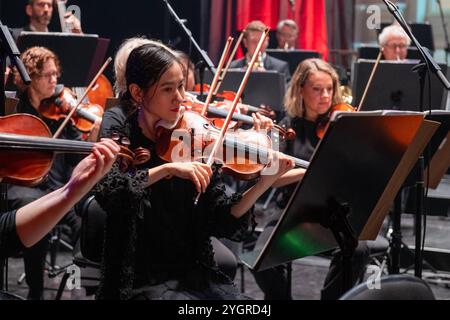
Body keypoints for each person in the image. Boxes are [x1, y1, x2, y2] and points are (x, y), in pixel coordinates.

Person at [93, 43, 294, 300]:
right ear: (137, 93)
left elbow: (222, 216)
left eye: (181, 86)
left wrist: (263, 184)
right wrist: (167, 169)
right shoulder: (125, 136)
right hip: (140, 280)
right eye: (168, 89)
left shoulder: (191, 139)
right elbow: (109, 191)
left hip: (191, 276)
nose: (181, 98)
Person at [251, 58, 371, 300]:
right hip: (291, 210)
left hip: (332, 212)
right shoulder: (284, 127)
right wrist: (315, 171)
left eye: (329, 89)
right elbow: (273, 179)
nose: (325, 96)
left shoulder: (342, 124)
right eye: (317, 89)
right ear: (300, 90)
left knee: (357, 250)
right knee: (262, 260)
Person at [8, 46, 99, 300]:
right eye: (47, 75)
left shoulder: (61, 113)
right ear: (31, 78)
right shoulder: (15, 107)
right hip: (24, 183)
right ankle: (35, 291)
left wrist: (92, 133)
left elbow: (74, 156)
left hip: (57, 185)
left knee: (88, 218)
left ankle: (79, 286)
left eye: (56, 74)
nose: (54, 81)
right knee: (37, 214)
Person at [0, 139, 119, 260]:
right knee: (35, 223)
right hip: (25, 188)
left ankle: (83, 266)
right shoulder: (25, 124)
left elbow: (74, 158)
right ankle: (35, 278)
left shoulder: (65, 125)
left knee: (84, 223)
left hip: (54, 186)